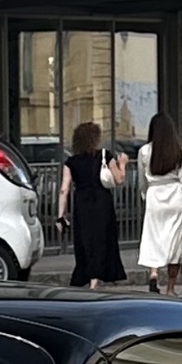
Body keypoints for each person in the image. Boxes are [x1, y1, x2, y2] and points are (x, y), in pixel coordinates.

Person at [137, 109, 182, 297]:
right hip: (175, 196)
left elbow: (142, 180)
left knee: (153, 238)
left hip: (155, 196)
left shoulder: (145, 151)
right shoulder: (179, 152)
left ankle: (154, 272)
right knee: (175, 243)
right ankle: (171, 288)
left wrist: (145, 195)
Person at [60, 116, 123, 290]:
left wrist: (61, 215)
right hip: (102, 200)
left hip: (82, 202)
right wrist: (122, 164)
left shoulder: (71, 162)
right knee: (103, 238)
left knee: (85, 239)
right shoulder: (104, 155)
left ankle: (87, 274)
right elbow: (119, 179)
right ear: (94, 139)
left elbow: (64, 189)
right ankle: (98, 276)